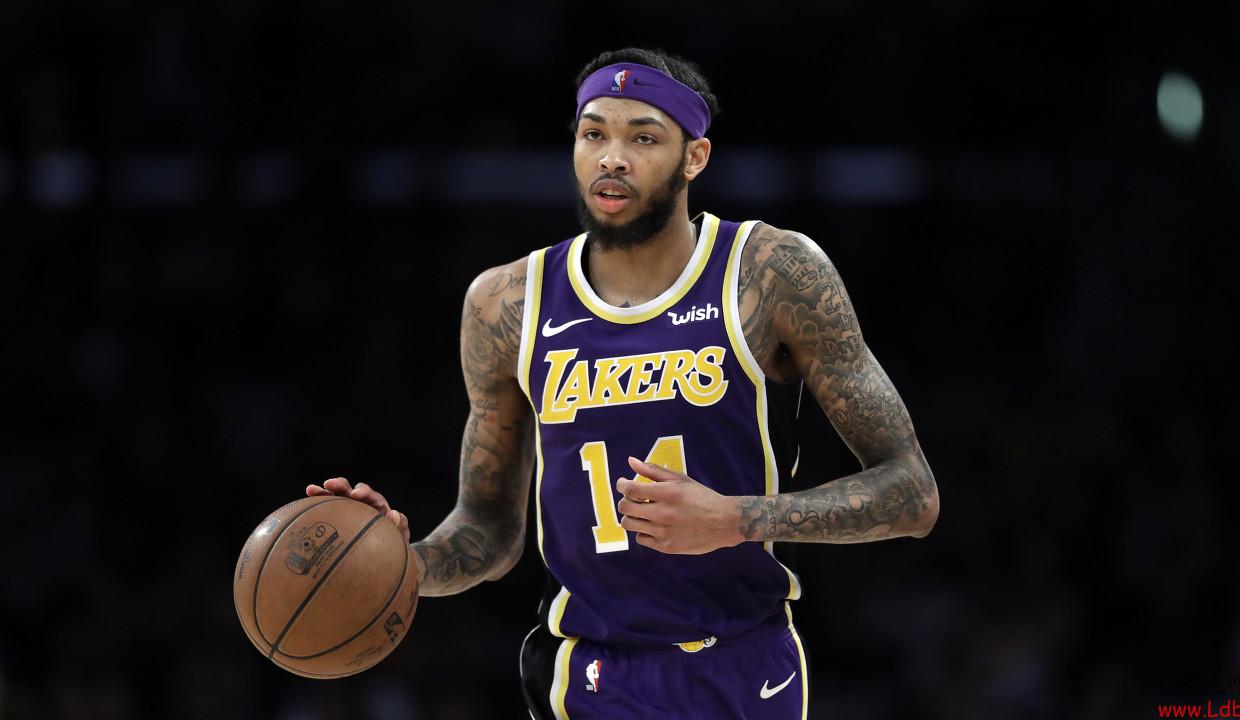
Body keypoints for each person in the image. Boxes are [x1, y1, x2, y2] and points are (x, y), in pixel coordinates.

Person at [306, 47, 939, 720]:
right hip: (586, 676)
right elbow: (488, 526)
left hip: (743, 665)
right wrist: (402, 566)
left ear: (694, 157)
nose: (612, 158)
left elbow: (912, 494)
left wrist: (736, 519)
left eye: (643, 138)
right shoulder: (506, 303)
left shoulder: (771, 272)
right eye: (594, 134)